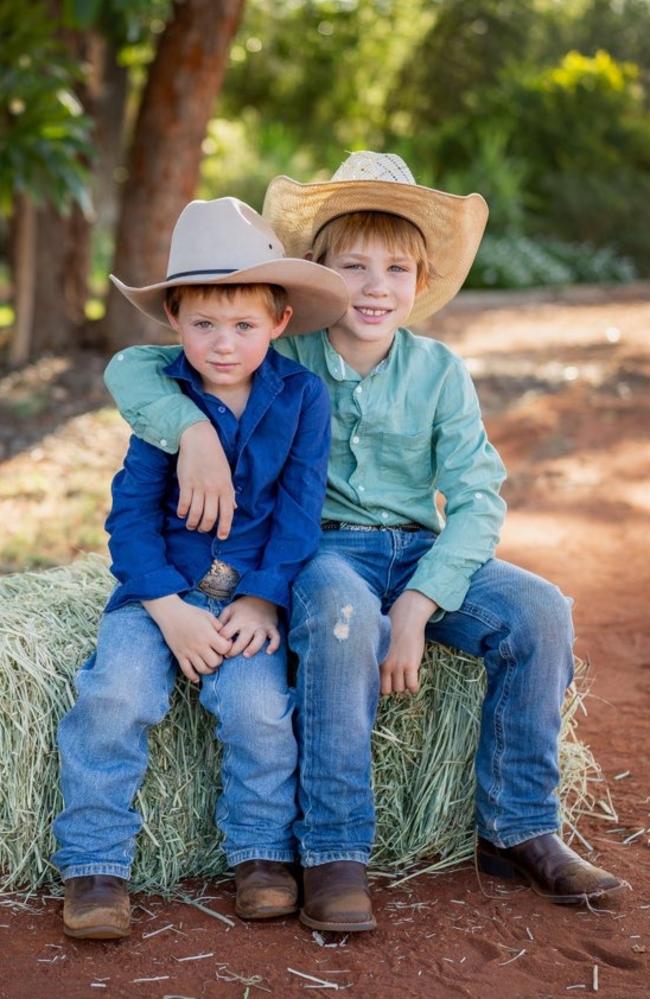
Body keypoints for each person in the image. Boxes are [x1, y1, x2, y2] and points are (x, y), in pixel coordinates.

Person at [103, 153, 624, 934]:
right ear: (317, 277)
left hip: (422, 553)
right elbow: (137, 365)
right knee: (344, 615)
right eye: (354, 266)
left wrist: (418, 604)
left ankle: (518, 825)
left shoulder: (439, 371)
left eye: (397, 268)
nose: (376, 286)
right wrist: (189, 428)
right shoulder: (280, 354)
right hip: (324, 552)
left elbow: (479, 497)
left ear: (421, 281)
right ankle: (335, 846)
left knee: (540, 610)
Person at [52, 196, 350, 939]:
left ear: (279, 323)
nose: (223, 344)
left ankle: (260, 855)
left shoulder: (303, 396)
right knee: (113, 695)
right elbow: (128, 520)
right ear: (175, 321)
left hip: (247, 597)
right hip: (158, 595)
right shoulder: (165, 406)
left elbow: (299, 511)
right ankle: (94, 865)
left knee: (258, 711)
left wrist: (264, 600)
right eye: (203, 325)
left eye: (245, 326)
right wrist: (166, 606)